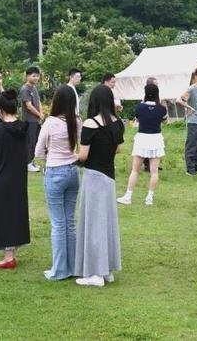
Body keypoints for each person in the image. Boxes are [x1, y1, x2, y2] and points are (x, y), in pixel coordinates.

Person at [74, 84, 125, 287]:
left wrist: (72, 158)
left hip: (94, 176)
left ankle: (95, 273)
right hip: (109, 177)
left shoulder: (90, 123)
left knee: (94, 224)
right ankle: (107, 270)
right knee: (107, 222)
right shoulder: (117, 123)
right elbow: (119, 148)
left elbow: (83, 155)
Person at [0, 90, 30, 269]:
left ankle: (8, 256)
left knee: (2, 214)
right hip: (18, 176)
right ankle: (12, 252)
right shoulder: (24, 128)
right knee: (16, 212)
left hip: (1, 176)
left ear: (0, 109)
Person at [35, 86, 81, 280]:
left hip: (55, 171)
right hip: (73, 171)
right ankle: (72, 266)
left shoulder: (51, 122)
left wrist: (47, 159)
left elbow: (38, 151)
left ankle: (59, 269)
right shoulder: (76, 121)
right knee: (69, 223)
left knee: (58, 224)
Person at [117, 83, 167, 206]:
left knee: (135, 170)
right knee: (154, 171)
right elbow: (165, 121)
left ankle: (128, 196)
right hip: (156, 138)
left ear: (145, 93)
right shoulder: (162, 108)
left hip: (142, 138)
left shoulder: (140, 107)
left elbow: (138, 120)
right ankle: (149, 198)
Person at [176, 67, 197, 176]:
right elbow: (179, 100)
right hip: (193, 121)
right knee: (191, 145)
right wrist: (188, 107)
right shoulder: (191, 89)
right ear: (195, 77)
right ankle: (189, 168)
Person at [20, 66, 44, 172]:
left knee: (35, 141)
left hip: (36, 120)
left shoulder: (34, 88)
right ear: (27, 76)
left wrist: (41, 114)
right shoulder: (25, 89)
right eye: (33, 76)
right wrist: (39, 114)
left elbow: (38, 102)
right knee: (30, 142)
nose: (36, 78)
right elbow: (28, 106)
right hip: (29, 120)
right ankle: (28, 163)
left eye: (37, 76)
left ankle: (31, 161)